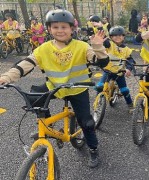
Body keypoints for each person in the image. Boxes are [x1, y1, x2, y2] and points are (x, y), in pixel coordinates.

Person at [0, 9, 110, 168]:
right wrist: (6, 77)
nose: (60, 30)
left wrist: (98, 48)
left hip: (78, 89)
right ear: (49, 29)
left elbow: (101, 63)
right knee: (34, 96)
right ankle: (47, 126)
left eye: (64, 27)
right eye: (55, 27)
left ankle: (93, 149)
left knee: (86, 122)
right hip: (55, 87)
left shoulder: (82, 46)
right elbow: (26, 64)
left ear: (72, 29)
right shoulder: (43, 48)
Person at [95, 26, 135, 113]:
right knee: (99, 86)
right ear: (111, 37)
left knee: (124, 90)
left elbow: (130, 60)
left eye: (120, 35)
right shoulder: (109, 45)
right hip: (108, 71)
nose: (118, 37)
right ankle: (98, 102)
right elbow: (104, 41)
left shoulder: (127, 50)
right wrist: (99, 27)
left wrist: (128, 69)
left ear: (124, 37)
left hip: (119, 73)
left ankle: (130, 105)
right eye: (115, 36)